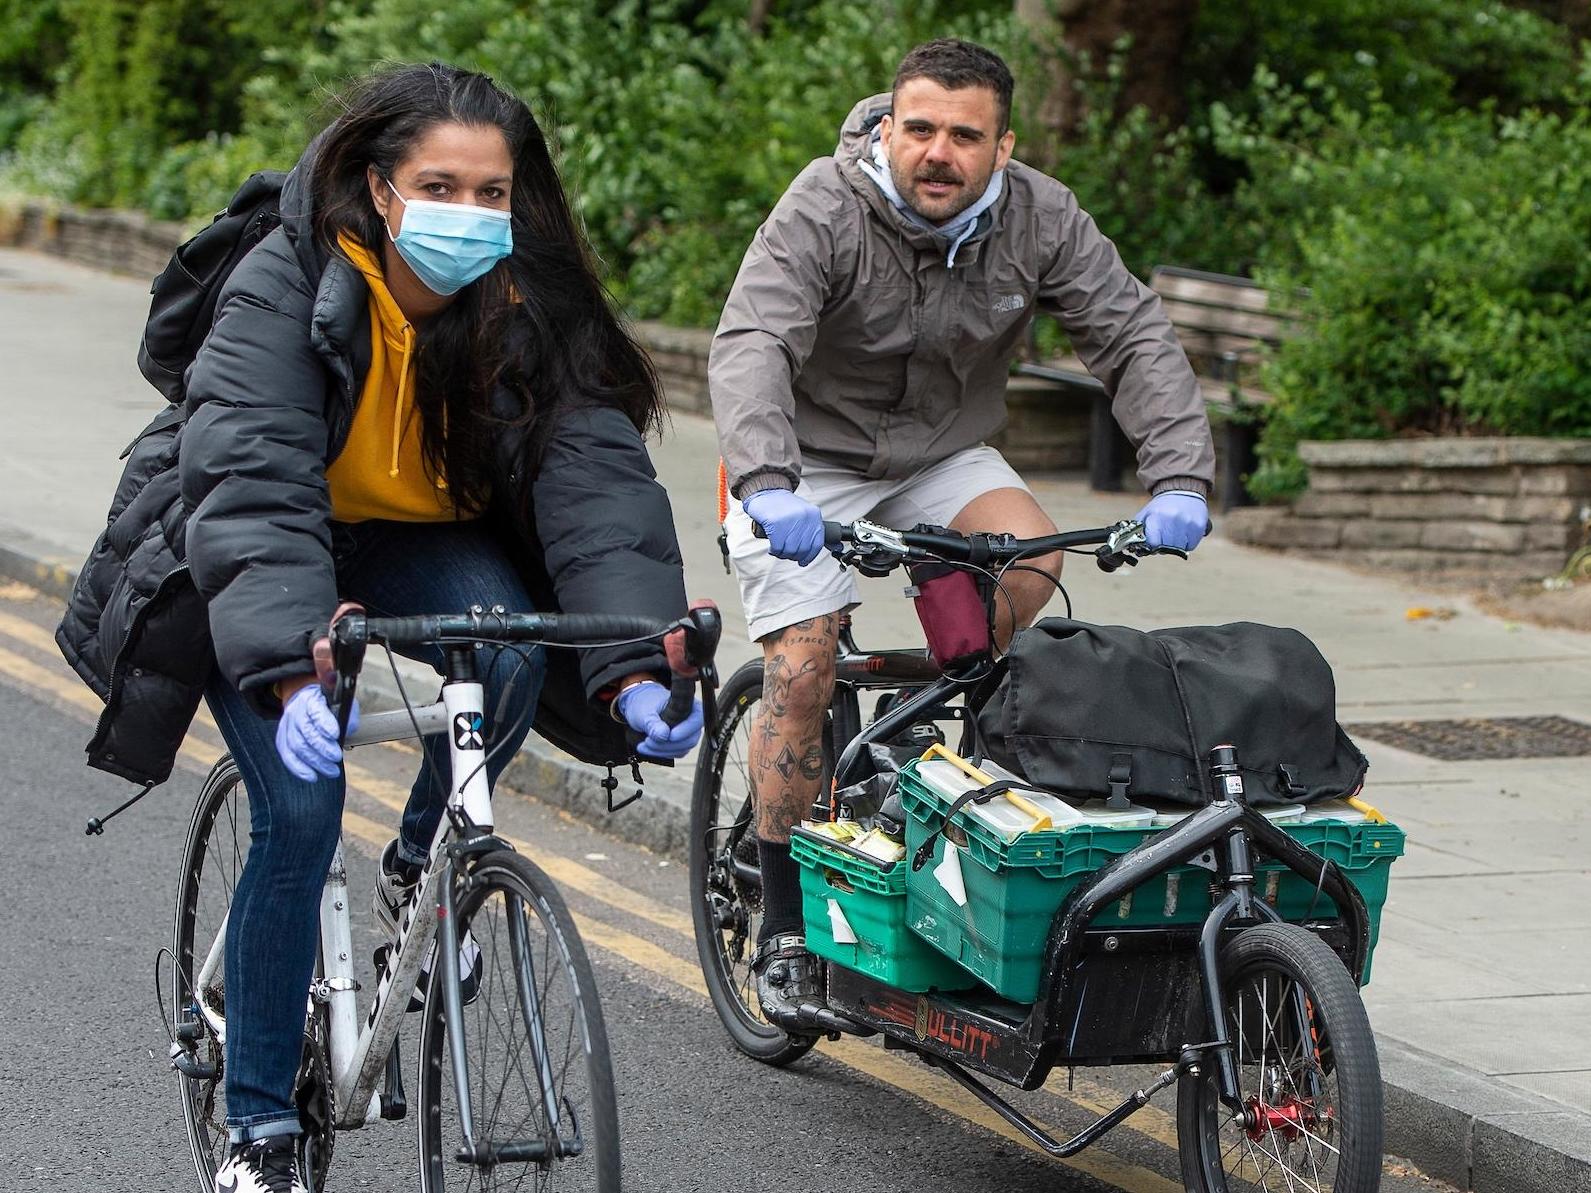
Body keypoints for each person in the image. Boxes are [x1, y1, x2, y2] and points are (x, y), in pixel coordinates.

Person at [57, 64, 702, 1193]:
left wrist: (633, 664)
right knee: (300, 813)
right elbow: (253, 490)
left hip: (406, 537)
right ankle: (258, 1126)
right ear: (378, 185)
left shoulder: (524, 299)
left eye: (492, 190)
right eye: (439, 184)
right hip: (253, 550)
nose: (470, 212)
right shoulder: (285, 280)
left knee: (505, 641)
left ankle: (423, 865)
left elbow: (599, 486)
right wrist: (288, 674)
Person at [708, 38, 1215, 1031]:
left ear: (1002, 145)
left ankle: (911, 753)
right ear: (889, 128)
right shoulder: (822, 203)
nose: (938, 152)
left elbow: (1130, 334)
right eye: (921, 128)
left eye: (965, 135)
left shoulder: (1039, 215)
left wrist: (1180, 476)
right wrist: (768, 482)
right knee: (806, 669)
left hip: (940, 454)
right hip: (802, 461)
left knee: (1031, 560)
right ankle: (778, 929)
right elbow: (753, 341)